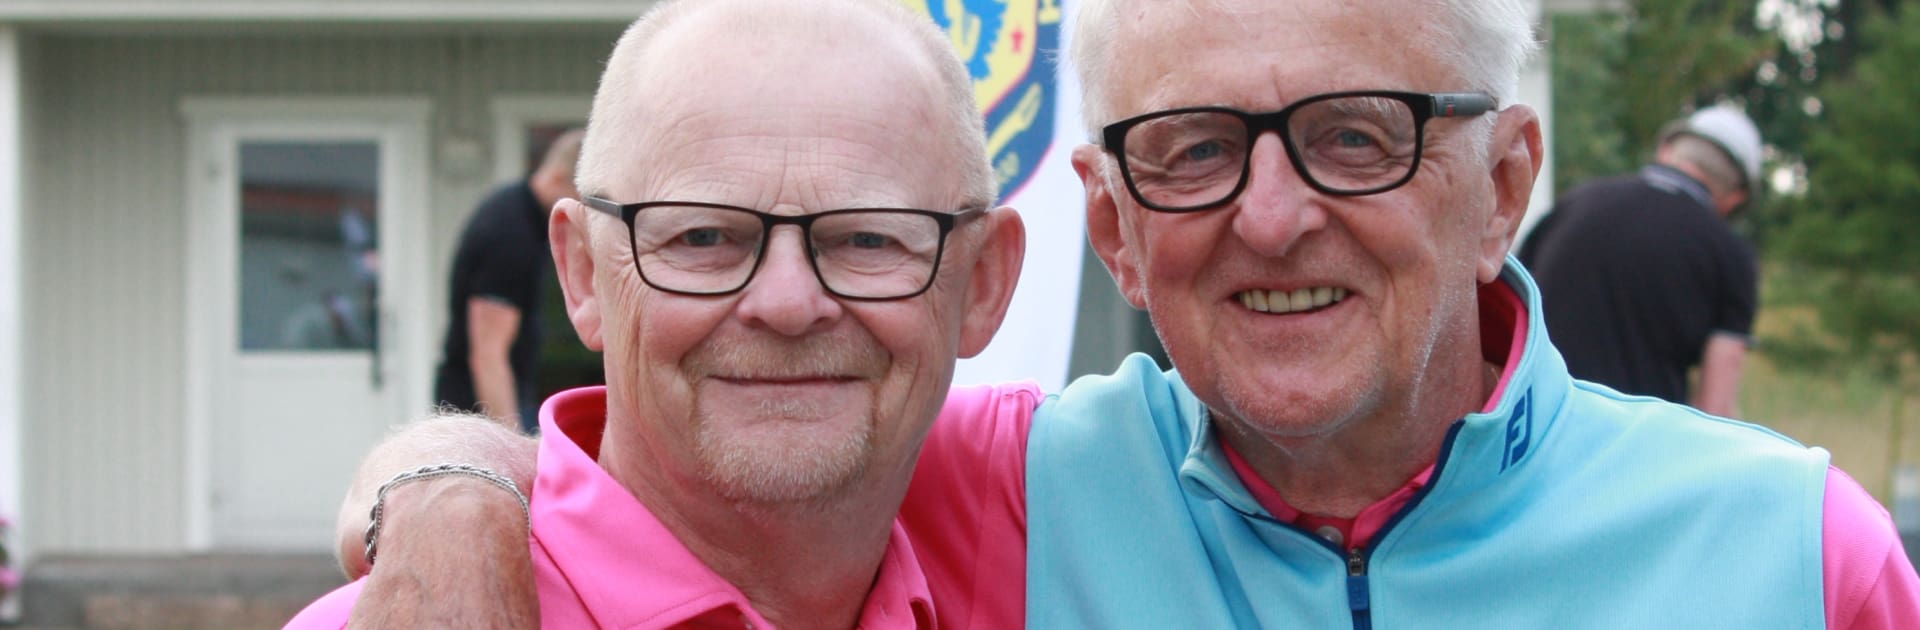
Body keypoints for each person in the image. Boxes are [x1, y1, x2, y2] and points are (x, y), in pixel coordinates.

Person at [331, 0, 1920, 627]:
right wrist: (454, 497)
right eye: (1194, 149)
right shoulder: (1021, 489)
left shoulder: (1795, 552)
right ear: (1109, 228)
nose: (1272, 214)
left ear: (1503, 181)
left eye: (1356, 134)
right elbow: (702, 463)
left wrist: (443, 486)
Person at [286, 0, 1025, 626]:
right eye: (701, 237)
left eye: (868, 239)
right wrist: (451, 498)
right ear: (582, 274)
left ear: (984, 283)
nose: (788, 304)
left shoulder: (1041, 522)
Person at [1518, 105, 1763, 417]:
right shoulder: (1730, 254)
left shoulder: (1575, 204)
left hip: (1534, 425)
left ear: (1666, 151)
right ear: (1736, 197)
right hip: (1639, 441)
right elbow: (1715, 409)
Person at [432, 127, 583, 433]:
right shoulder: (509, 234)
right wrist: (511, 441)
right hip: (476, 413)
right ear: (557, 179)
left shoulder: (521, 212)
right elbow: (488, 355)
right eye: (581, 200)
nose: (583, 214)